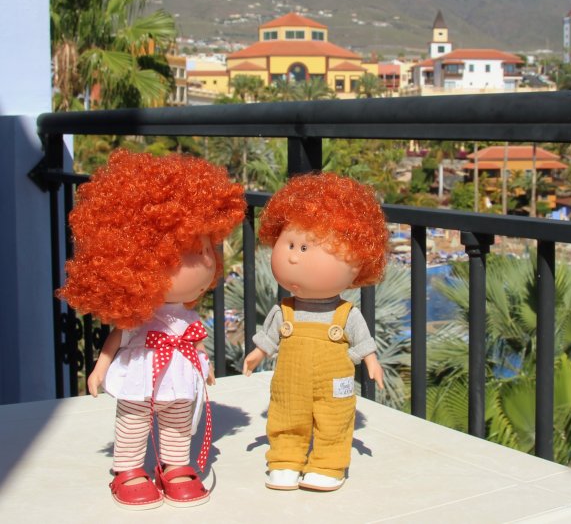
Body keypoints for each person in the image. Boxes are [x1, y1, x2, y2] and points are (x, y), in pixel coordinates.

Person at [58, 150, 245, 510]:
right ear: (139, 259)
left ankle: (175, 466)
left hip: (180, 378)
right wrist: (100, 369)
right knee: (133, 421)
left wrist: (204, 366)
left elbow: (195, 341)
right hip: (139, 375)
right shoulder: (139, 316)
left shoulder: (187, 316)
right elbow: (117, 337)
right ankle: (128, 469)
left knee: (178, 423)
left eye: (209, 247)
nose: (208, 260)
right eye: (194, 251)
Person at [243, 171, 389, 492]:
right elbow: (269, 337)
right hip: (289, 382)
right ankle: (284, 460)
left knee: (334, 421)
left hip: (334, 383)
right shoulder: (284, 310)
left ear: (358, 262)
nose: (294, 256)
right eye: (290, 244)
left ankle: (328, 465)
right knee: (285, 415)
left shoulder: (346, 314)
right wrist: (257, 353)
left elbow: (363, 340)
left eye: (306, 248)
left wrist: (371, 361)